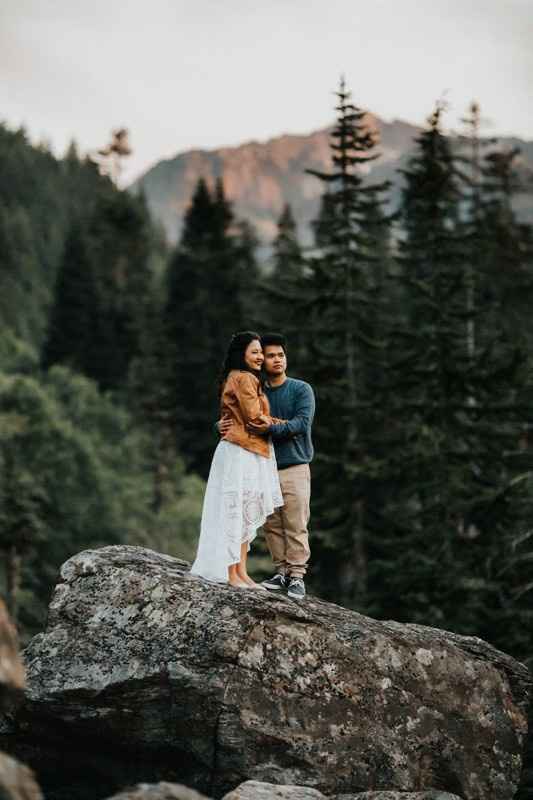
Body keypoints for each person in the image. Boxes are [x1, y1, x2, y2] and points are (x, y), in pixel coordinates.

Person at [219, 333, 315, 600]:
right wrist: (221, 425)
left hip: (294, 465)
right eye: (269, 355)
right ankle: (281, 571)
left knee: (295, 521)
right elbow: (235, 414)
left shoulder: (300, 389)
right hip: (263, 464)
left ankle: (296, 576)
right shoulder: (256, 387)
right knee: (271, 523)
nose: (274, 360)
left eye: (279, 355)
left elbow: (301, 425)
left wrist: (271, 426)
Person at [190, 331, 285, 588]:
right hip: (241, 449)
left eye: (260, 353)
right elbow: (254, 418)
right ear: (241, 354)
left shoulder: (244, 377)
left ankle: (241, 571)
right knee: (237, 509)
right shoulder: (243, 378)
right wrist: (284, 425)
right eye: (254, 352)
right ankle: (232, 573)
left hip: (247, 449)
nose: (260, 357)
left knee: (243, 511)